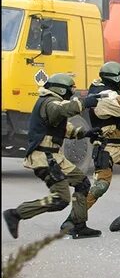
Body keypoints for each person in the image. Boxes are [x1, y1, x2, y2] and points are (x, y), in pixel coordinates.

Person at [3, 73, 102, 239]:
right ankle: (16, 214)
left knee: (82, 183)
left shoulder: (50, 103)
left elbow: (62, 128)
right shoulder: (49, 103)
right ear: (61, 89)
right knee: (61, 199)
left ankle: (78, 225)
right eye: (71, 89)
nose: (73, 91)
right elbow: (62, 110)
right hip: (45, 158)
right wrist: (84, 103)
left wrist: (86, 133)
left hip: (55, 158)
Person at [60, 61, 120, 233]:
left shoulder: (107, 86)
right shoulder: (106, 97)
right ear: (115, 78)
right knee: (100, 186)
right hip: (107, 148)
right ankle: (72, 221)